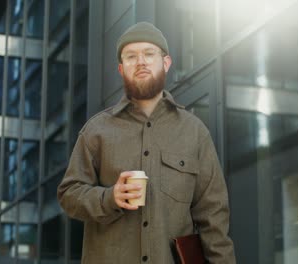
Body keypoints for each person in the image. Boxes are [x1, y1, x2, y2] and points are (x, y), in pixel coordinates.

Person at [57, 21, 236, 263]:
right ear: (121, 69)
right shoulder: (96, 131)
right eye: (131, 56)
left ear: (166, 63)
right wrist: (110, 198)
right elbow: (69, 195)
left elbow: (213, 218)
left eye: (149, 54)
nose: (140, 61)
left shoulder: (194, 133)